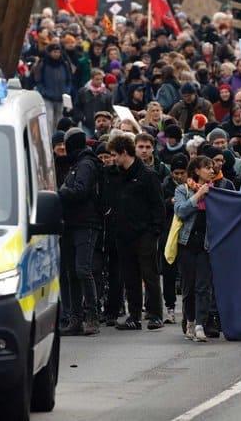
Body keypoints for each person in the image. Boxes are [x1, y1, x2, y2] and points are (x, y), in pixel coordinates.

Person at [107, 134, 166, 331]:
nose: (113, 158)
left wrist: (155, 230)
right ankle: (134, 316)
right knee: (130, 276)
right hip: (123, 235)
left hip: (145, 233)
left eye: (115, 155)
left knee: (149, 274)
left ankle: (155, 314)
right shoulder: (116, 175)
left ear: (124, 153)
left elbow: (158, 205)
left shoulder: (147, 175)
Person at [58, 128, 102, 336]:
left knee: (82, 270)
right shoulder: (78, 163)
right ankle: (76, 319)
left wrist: (61, 192)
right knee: (71, 272)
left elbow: (80, 191)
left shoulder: (85, 164)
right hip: (72, 224)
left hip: (86, 223)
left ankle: (91, 316)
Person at [174, 156, 215, 342]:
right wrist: (199, 195)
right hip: (187, 243)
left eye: (213, 168)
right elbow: (181, 211)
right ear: (197, 171)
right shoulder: (183, 189)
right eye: (207, 168)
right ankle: (189, 320)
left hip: (206, 245)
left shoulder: (216, 192)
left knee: (203, 286)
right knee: (189, 286)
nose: (212, 171)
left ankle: (200, 324)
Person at [161, 153, 189, 325]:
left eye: (182, 173)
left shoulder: (191, 187)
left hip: (186, 233)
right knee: (168, 271)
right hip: (168, 233)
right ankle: (170, 307)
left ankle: (187, 309)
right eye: (176, 173)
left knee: (187, 273)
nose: (179, 176)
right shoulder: (164, 186)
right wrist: (169, 202)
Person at [29, 43, 75, 132]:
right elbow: (38, 80)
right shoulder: (43, 64)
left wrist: (67, 91)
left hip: (61, 97)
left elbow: (69, 79)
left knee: (59, 121)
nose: (57, 54)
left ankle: (58, 139)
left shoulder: (64, 64)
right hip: (48, 97)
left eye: (58, 52)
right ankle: (49, 141)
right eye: (54, 52)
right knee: (48, 120)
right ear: (49, 52)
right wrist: (44, 92)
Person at [74, 68, 114, 137]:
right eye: (97, 79)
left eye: (101, 79)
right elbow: (77, 106)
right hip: (87, 124)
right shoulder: (83, 92)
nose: (99, 81)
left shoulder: (107, 93)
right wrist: (82, 117)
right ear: (92, 79)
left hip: (102, 126)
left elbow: (110, 109)